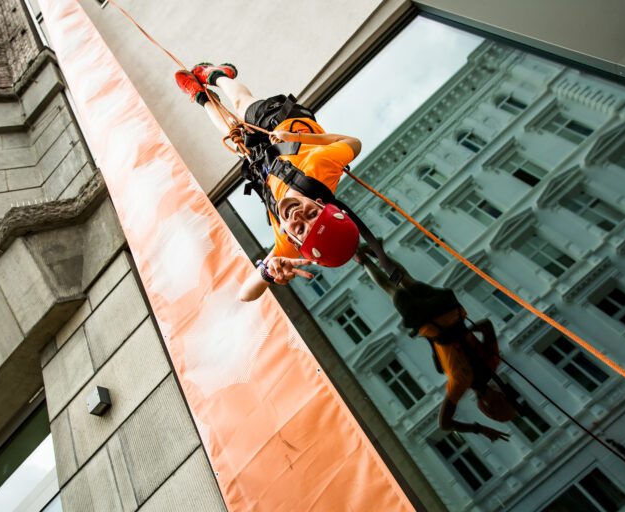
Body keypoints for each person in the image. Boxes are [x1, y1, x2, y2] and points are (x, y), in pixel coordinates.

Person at [174, 63, 363, 301]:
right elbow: (353, 142)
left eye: (301, 230)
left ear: (294, 240)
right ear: (319, 203)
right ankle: (218, 75)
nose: (298, 218)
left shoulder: (287, 242)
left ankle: (201, 97)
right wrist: (297, 137)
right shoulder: (321, 164)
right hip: (284, 126)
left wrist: (268, 272)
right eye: (313, 215)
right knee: (244, 105)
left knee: (232, 132)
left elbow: (245, 294)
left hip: (262, 162)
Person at [357, 248, 516, 442]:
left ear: (501, 393)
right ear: (484, 404)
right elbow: (445, 423)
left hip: (448, 307)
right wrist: (480, 429)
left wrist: (462, 332)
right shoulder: (460, 384)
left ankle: (376, 252)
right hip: (425, 320)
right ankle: (362, 259)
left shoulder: (492, 361)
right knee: (392, 289)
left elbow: (486, 326)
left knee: (406, 279)